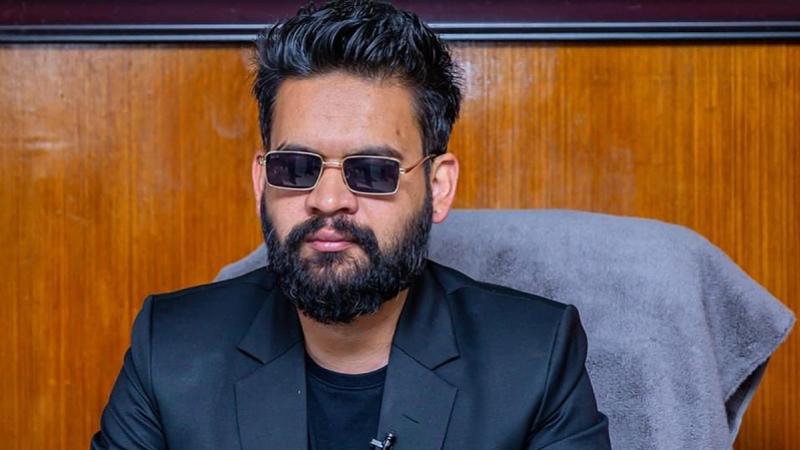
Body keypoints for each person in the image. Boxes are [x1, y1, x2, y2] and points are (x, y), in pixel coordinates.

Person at [91, 1, 611, 449]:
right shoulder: (169, 348)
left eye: (372, 171)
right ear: (261, 180)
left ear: (437, 187)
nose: (328, 200)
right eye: (297, 167)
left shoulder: (535, 356)